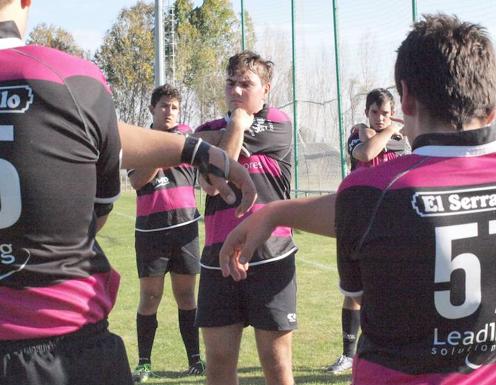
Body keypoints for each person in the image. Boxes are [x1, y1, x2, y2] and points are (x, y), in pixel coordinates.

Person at [219, 14, 496, 385]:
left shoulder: (376, 188)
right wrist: (276, 211)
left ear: (405, 98)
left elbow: (364, 209)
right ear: (490, 104)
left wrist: (273, 213)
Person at [0, 2, 255, 384]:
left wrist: (193, 148)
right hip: (59, 348)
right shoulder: (73, 79)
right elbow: (98, 210)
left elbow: (109, 136)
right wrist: (198, 150)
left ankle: (188, 357)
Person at [194, 51, 297, 385]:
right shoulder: (206, 129)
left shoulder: (279, 123)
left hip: (272, 255)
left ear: (265, 89)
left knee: (276, 363)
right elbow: (212, 184)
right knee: (220, 364)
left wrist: (230, 133)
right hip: (216, 259)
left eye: (246, 84)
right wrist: (235, 128)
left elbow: (217, 161)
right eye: (231, 83)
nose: (236, 91)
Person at [327, 87, 407, 374]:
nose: (381, 118)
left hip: (394, 223)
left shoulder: (404, 141)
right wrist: (386, 132)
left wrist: (396, 132)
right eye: (375, 112)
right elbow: (368, 151)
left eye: (386, 113)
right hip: (360, 220)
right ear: (366, 112)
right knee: (354, 290)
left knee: (395, 290)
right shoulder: (356, 134)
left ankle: (394, 352)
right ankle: (348, 355)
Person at [128, 84, 204, 382]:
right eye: (163, 106)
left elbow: (206, 171)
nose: (169, 112)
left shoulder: (187, 139)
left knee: (186, 295)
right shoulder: (139, 142)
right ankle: (144, 363)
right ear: (152, 109)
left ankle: (195, 362)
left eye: (174, 107)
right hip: (150, 232)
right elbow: (136, 181)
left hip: (185, 229)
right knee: (150, 297)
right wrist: (162, 149)